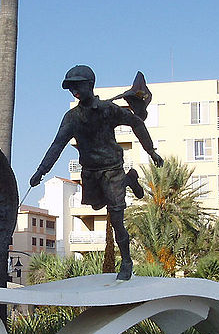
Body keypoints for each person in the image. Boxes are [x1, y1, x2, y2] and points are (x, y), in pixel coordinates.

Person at [30, 65, 163, 281]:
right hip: (90, 172)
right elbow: (57, 145)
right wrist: (41, 171)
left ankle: (126, 262)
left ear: (90, 85)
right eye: (71, 88)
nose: (74, 92)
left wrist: (152, 151)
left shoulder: (108, 110)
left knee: (117, 218)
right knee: (95, 206)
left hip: (112, 169)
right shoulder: (72, 118)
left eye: (77, 86)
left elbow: (136, 123)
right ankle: (130, 180)